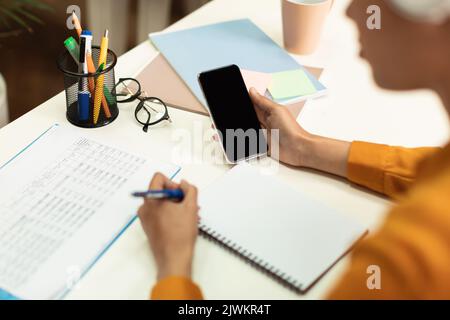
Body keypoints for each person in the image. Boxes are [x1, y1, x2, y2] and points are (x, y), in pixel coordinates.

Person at [138, 0, 450, 299]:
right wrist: (304, 147)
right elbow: (429, 168)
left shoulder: (416, 255)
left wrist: (173, 266)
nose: (355, 12)